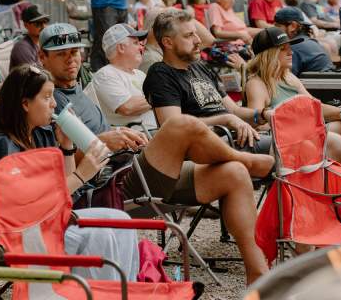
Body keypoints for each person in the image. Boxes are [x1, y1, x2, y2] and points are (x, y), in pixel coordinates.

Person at [38, 22, 272, 285]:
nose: (71, 59)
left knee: (234, 174)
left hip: (129, 167)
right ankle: (244, 157)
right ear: (42, 57)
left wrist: (120, 135)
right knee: (181, 124)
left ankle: (258, 273)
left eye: (75, 52)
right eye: (61, 54)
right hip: (105, 189)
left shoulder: (79, 92)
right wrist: (102, 141)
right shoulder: (44, 101)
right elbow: (54, 168)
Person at [0, 65, 139, 282]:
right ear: (25, 103)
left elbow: (66, 193)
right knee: (100, 236)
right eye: (47, 97)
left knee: (122, 222)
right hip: (9, 234)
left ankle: (122, 292)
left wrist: (67, 147)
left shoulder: (40, 134)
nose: (54, 104)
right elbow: (27, 206)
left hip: (48, 221)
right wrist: (81, 175)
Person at [142, 10, 273, 154]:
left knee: (291, 138)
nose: (198, 40)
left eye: (195, 33)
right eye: (189, 35)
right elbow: (173, 125)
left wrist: (262, 115)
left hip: (231, 139)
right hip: (203, 148)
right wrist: (226, 120)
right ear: (168, 42)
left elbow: (234, 111)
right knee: (284, 147)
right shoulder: (161, 74)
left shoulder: (199, 66)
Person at [245, 27, 341, 164]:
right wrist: (292, 121)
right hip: (288, 140)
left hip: (308, 131)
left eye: (290, 47)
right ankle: (330, 181)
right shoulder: (256, 84)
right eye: (283, 49)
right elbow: (257, 125)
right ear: (268, 55)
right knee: (338, 143)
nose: (290, 52)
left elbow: (315, 106)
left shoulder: (288, 77)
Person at [92, 24, 156, 129]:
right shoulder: (105, 74)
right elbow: (128, 107)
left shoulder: (140, 74)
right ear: (121, 48)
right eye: (135, 43)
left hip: (157, 131)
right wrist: (163, 95)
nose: (141, 47)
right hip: (139, 138)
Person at [273, 7, 333, 77]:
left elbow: (284, 79)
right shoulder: (309, 42)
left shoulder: (294, 48)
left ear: (293, 26)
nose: (275, 31)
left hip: (317, 86)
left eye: (278, 26)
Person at [9, 4, 50, 70]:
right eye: (38, 23)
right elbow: (34, 77)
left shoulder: (44, 44)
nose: (43, 26)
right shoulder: (22, 47)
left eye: (45, 22)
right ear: (26, 25)